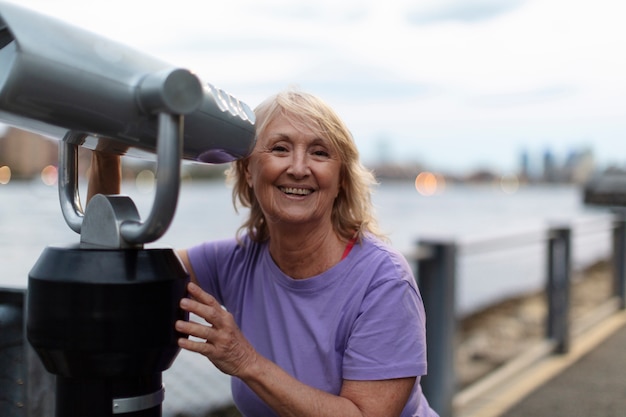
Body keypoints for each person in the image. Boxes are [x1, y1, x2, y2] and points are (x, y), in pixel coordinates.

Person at [87, 89, 438, 417]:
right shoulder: (238, 262)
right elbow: (119, 272)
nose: (299, 168)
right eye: (280, 149)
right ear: (248, 171)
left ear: (341, 179)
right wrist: (106, 154)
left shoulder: (384, 282)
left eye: (319, 152)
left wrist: (245, 361)